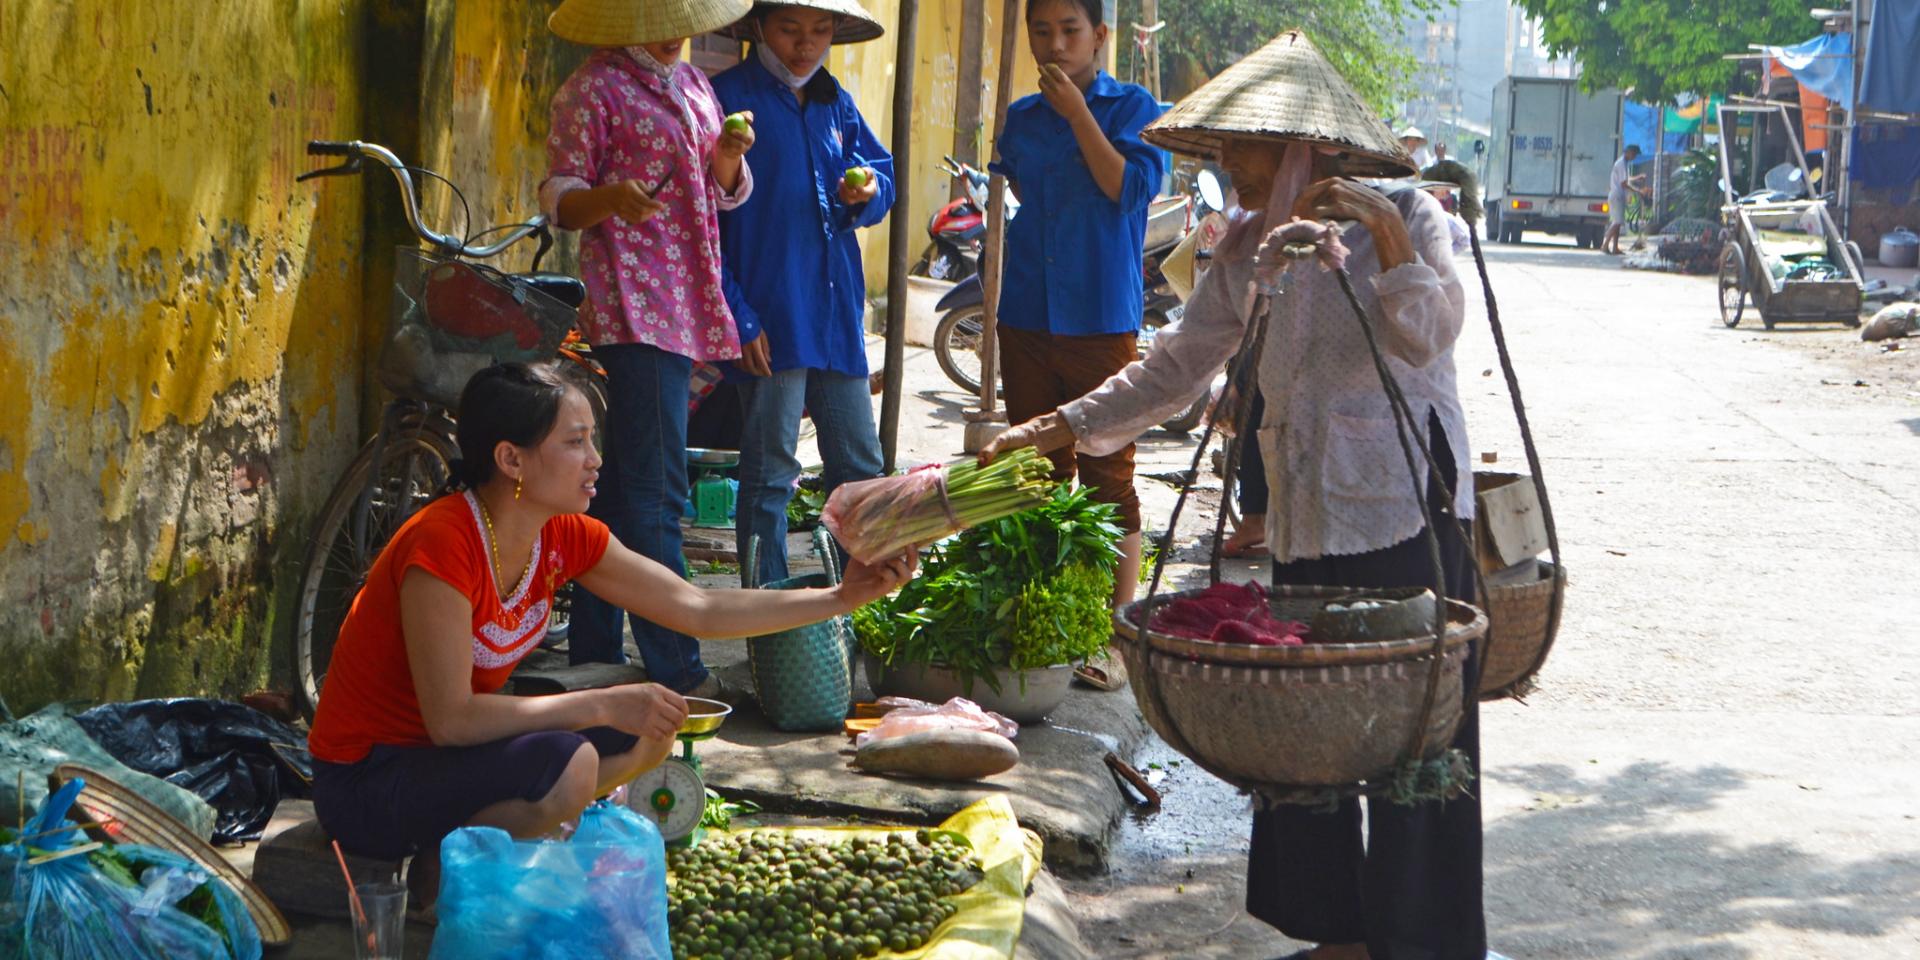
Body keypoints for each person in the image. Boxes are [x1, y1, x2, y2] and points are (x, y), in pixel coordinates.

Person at [984, 30, 1486, 960]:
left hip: (1402, 506)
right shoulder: (1253, 244)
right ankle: (1335, 933)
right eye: (1221, 151)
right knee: (1308, 727)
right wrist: (1054, 426)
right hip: (1304, 510)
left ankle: (1424, 939)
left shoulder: (1414, 217)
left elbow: (1432, 336)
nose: (1229, 170)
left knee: (1418, 736)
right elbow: (1175, 368)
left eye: (1245, 150)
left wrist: (1376, 234)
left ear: (1307, 146)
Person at [308, 363, 916, 910]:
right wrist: (603, 704)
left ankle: (475, 849)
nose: (596, 458)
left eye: (591, 439)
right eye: (574, 443)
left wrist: (841, 597)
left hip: (444, 761)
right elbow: (453, 721)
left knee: (611, 736)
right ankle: (444, 866)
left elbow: (697, 606)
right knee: (572, 758)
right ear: (511, 460)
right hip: (369, 779)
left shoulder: (563, 532)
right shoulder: (442, 543)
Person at [540, 0, 757, 697]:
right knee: (656, 490)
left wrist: (726, 158)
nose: (669, 31)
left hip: (688, 295)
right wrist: (610, 197)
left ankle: (594, 654)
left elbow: (718, 194)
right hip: (632, 303)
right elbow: (561, 198)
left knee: (613, 490)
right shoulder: (590, 89)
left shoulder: (696, 84)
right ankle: (678, 665)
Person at [990, 0, 1167, 613]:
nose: (1055, 44)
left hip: (1099, 317)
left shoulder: (1137, 108)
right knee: (1035, 472)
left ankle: (1116, 623)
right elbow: (1018, 189)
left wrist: (1078, 115)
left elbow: (1126, 190)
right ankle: (1044, 606)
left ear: (1099, 36)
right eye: (1042, 32)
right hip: (1026, 316)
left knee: (1108, 471)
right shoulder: (1020, 118)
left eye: (1070, 31)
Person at [712, 0, 894, 586]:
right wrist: (737, 317)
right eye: (790, 29)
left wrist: (867, 190)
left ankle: (867, 610)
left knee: (861, 469)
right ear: (759, 26)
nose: (805, 44)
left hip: (835, 314)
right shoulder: (723, 100)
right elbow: (700, 228)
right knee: (769, 475)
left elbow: (880, 174)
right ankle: (767, 620)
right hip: (770, 317)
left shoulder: (834, 100)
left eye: (820, 31)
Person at [1602, 144, 1648, 255]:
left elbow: (1625, 179)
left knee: (1618, 222)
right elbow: (1623, 184)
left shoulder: (1623, 163)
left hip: (1618, 195)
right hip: (1617, 195)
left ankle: (1615, 248)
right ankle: (1605, 245)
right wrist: (1638, 191)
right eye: (1634, 154)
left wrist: (1638, 177)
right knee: (1617, 222)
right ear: (1629, 152)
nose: (1634, 157)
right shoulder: (1621, 163)